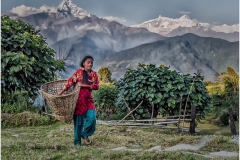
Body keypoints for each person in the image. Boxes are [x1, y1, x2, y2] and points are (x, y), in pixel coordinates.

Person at [57, 55, 99, 146]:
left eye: (91, 62)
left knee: (92, 118)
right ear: (83, 63)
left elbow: (96, 86)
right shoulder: (79, 73)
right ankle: (77, 143)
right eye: (88, 62)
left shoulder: (94, 74)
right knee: (78, 123)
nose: (90, 64)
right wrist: (60, 92)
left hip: (88, 101)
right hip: (79, 101)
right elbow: (70, 82)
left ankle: (84, 134)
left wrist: (85, 85)